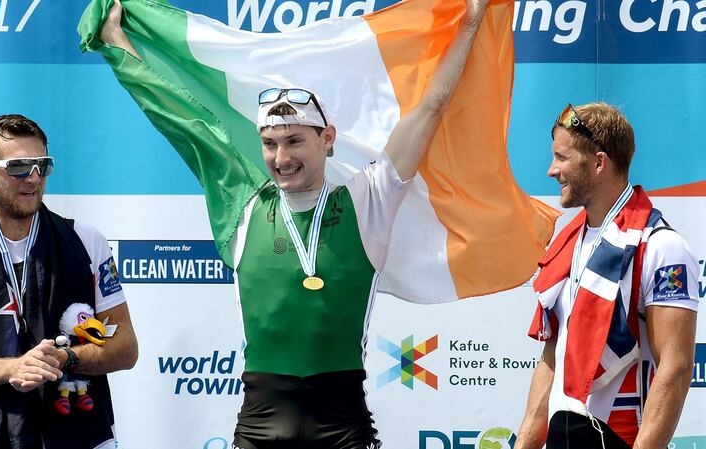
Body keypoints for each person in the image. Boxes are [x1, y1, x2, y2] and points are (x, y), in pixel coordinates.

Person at [97, 0, 489, 447]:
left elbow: (430, 108)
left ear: (327, 139)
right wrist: (116, 43)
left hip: (343, 424)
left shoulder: (369, 200)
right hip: (261, 422)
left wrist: (471, 22)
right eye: (269, 144)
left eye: (294, 141)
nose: (281, 158)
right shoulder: (243, 205)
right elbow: (181, 120)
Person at [0, 114, 138, 449]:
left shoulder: (85, 240)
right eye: (18, 166)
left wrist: (65, 359)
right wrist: (11, 369)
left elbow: (125, 347)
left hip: (80, 429)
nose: (33, 178)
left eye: (42, 166)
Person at [515, 103, 699, 449]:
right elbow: (554, 357)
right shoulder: (568, 244)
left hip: (619, 436)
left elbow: (675, 368)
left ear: (599, 162)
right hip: (561, 431)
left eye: (562, 157)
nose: (551, 170)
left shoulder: (661, 247)